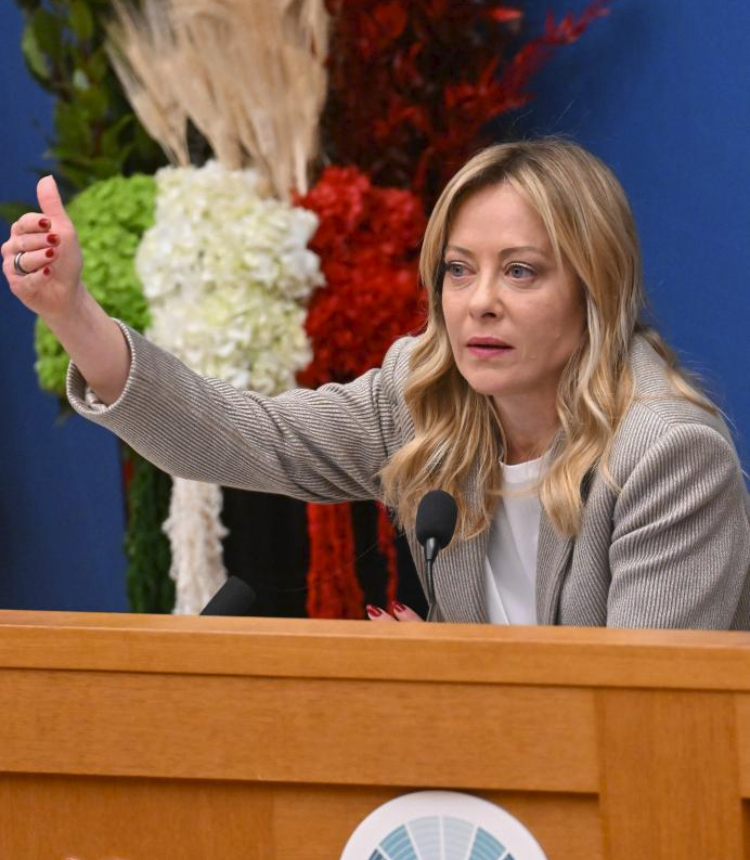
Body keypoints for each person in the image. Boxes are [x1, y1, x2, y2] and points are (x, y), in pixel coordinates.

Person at [3, 139, 749, 628]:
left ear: (595, 288)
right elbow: (248, 439)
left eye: (520, 271)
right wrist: (74, 314)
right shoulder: (426, 401)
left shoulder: (667, 457)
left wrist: (452, 675)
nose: (478, 300)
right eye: (458, 270)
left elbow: (638, 714)